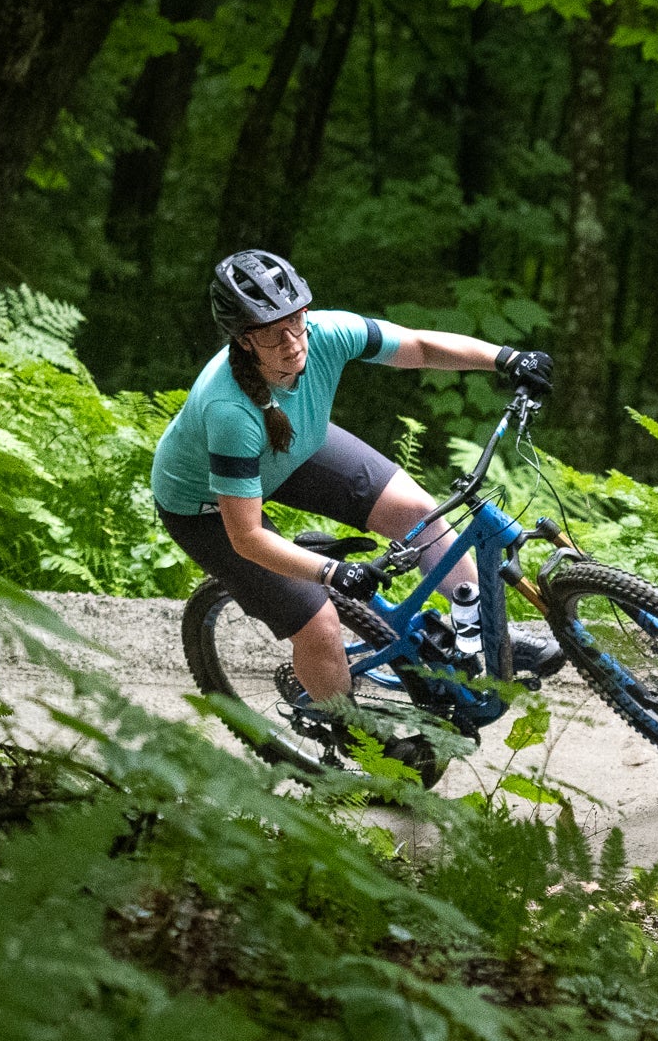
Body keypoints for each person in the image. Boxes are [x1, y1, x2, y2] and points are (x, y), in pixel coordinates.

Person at [151, 249, 559, 734]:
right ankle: (344, 737)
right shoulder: (229, 410)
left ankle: (490, 639)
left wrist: (505, 358)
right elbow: (247, 538)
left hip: (293, 449)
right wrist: (332, 571)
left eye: (295, 320)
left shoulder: (326, 333)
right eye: (268, 332)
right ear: (243, 340)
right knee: (320, 623)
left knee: (417, 511)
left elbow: (419, 347)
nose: (290, 341)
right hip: (206, 508)